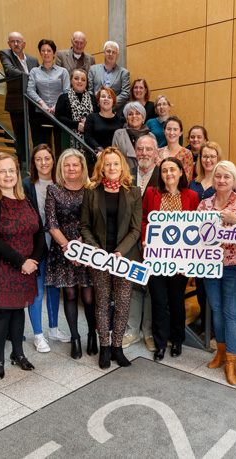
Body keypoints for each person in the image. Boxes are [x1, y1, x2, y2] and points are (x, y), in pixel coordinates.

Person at [0, 152, 46, 380]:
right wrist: (21, 262)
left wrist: (33, 260)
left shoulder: (27, 199)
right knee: (3, 312)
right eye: (2, 171)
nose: (8, 175)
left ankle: (18, 354)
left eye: (12, 170)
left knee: (19, 310)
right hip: (1, 267)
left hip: (26, 266)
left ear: (17, 173)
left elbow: (39, 231)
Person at [80, 146, 142, 369]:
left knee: (123, 303)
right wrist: (95, 248)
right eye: (108, 164)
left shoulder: (133, 192)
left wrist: (119, 252)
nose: (112, 167)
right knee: (102, 303)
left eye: (116, 163)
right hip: (98, 258)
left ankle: (118, 347)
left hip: (124, 258)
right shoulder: (91, 191)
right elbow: (85, 226)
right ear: (101, 168)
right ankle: (104, 348)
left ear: (122, 166)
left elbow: (136, 229)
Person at [198, 161, 236, 385]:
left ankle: (232, 361)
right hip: (210, 265)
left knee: (232, 313)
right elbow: (196, 236)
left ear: (234, 180)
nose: (221, 180)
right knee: (217, 310)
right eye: (218, 176)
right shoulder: (204, 205)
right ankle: (220, 352)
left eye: (226, 177)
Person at [141, 157, 199, 362]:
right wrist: (145, 239)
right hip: (156, 258)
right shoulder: (151, 193)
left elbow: (196, 229)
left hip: (180, 259)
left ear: (181, 172)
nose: (168, 174)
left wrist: (191, 260)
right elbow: (144, 219)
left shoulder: (192, 196)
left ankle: (177, 341)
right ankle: (160, 344)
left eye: (172, 170)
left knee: (176, 302)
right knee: (158, 301)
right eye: (164, 170)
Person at [45, 149, 95, 360]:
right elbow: (51, 223)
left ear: (82, 167)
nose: (71, 168)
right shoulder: (53, 190)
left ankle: (93, 335)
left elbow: (95, 221)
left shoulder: (91, 190)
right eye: (67, 165)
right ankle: (75, 338)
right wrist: (69, 248)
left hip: (88, 248)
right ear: (61, 168)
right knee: (71, 295)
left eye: (75, 165)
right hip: (62, 248)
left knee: (89, 296)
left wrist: (81, 248)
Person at [22, 144, 70, 353]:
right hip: (35, 247)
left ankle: (53, 329)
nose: (43, 163)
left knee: (54, 289)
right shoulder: (25, 185)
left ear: (53, 160)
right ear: (34, 163)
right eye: (38, 159)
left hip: (58, 245)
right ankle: (38, 335)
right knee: (37, 291)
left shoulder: (61, 184)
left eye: (47, 158)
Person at [124, 135, 159, 351]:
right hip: (130, 242)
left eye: (148, 149)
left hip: (153, 243)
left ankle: (149, 331)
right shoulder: (125, 177)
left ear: (156, 152)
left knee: (151, 287)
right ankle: (132, 331)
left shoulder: (163, 176)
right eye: (140, 148)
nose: (144, 153)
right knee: (134, 285)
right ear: (135, 152)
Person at [188, 141, 223, 332]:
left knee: (216, 287)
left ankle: (217, 325)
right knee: (200, 286)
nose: (208, 160)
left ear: (218, 158)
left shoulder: (223, 181)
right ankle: (204, 319)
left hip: (217, 243)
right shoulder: (193, 182)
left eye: (212, 156)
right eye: (204, 156)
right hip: (196, 243)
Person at [0, 32, 39, 166]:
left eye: (18, 41)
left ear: (24, 44)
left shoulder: (33, 60)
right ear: (8, 43)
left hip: (33, 103)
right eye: (12, 41)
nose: (16, 44)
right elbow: (10, 70)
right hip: (16, 103)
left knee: (36, 133)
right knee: (20, 135)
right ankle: (23, 163)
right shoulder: (5, 54)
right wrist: (30, 77)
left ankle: (37, 160)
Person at [27, 39, 70, 155]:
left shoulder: (63, 71)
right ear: (40, 53)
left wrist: (56, 106)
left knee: (61, 147)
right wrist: (43, 105)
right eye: (43, 50)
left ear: (54, 53)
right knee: (41, 148)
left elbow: (66, 91)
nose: (46, 53)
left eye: (49, 51)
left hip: (59, 113)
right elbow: (30, 90)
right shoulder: (34, 72)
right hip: (40, 113)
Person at [55, 68, 96, 154]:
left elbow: (98, 116)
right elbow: (59, 117)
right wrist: (77, 125)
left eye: (83, 79)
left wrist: (89, 122)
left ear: (86, 83)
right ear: (71, 80)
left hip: (90, 140)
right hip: (68, 139)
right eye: (76, 78)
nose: (79, 81)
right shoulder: (63, 97)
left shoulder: (93, 98)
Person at [83, 87, 124, 172]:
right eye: (103, 96)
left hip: (116, 160)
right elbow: (88, 137)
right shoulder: (91, 118)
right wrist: (100, 149)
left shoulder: (121, 120)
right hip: (97, 158)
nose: (106, 99)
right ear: (98, 101)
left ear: (113, 102)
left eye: (109, 97)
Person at [88, 41, 130, 108]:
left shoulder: (124, 73)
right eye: (108, 51)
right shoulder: (93, 70)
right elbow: (89, 91)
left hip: (114, 112)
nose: (111, 54)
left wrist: (111, 104)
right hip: (95, 110)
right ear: (104, 53)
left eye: (114, 52)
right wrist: (98, 103)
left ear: (117, 55)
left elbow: (125, 94)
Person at [112, 101, 151, 170]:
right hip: (125, 176)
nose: (134, 116)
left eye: (137, 113)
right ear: (127, 119)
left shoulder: (151, 136)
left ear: (143, 118)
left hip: (146, 176)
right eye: (130, 114)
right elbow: (114, 158)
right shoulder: (118, 134)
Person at [156, 116, 194, 182]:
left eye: (175, 129)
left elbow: (187, 179)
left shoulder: (186, 153)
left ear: (181, 132)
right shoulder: (157, 152)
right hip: (158, 190)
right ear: (164, 131)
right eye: (169, 129)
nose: (171, 133)